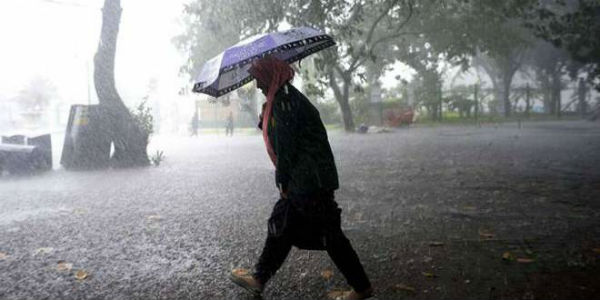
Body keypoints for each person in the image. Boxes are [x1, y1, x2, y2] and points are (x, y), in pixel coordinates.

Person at [229, 56, 373, 300]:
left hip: (309, 180)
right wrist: (267, 121)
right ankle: (260, 278)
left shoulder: (285, 102)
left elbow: (286, 147)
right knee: (285, 225)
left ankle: (361, 288)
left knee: (317, 231)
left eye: (259, 78)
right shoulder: (285, 99)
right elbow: (285, 135)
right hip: (310, 178)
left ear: (271, 76)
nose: (257, 85)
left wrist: (283, 182)